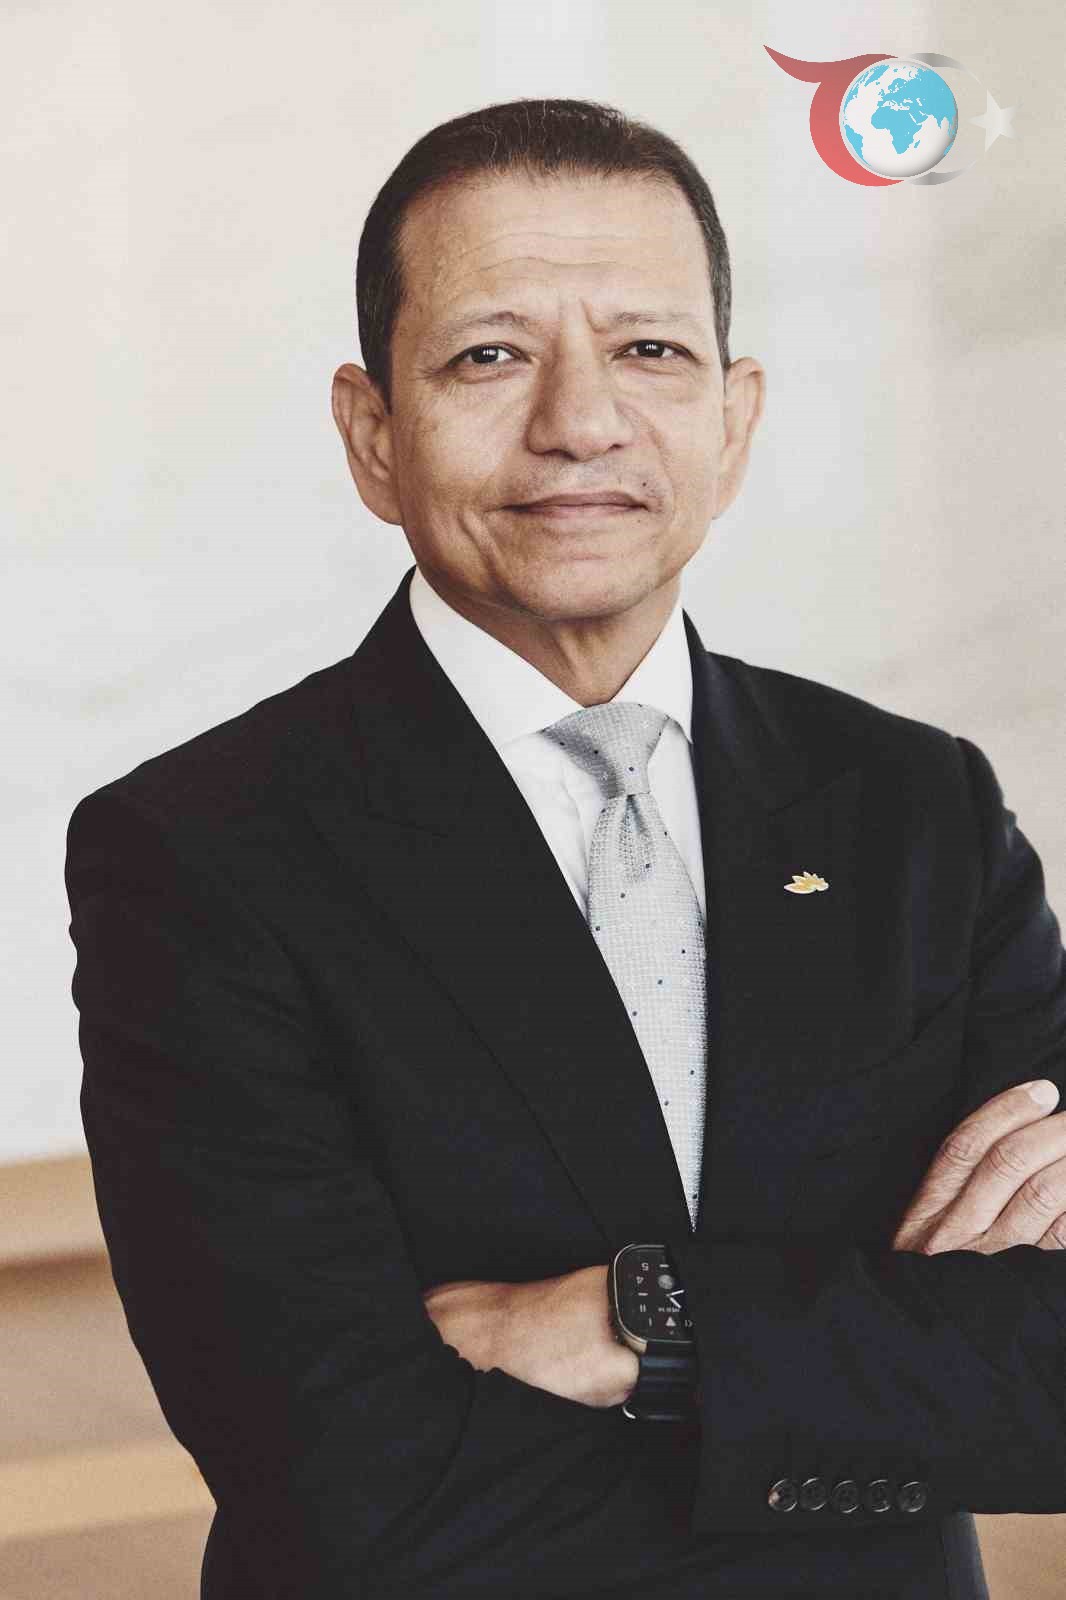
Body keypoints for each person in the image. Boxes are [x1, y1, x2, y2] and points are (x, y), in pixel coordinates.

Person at [65, 98, 1066, 1600]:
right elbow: (340, 1471)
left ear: (734, 420)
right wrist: (864, 1368)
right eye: (490, 356)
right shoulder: (197, 853)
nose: (580, 422)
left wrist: (641, 1322)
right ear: (371, 434)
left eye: (648, 350)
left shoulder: (917, 806)